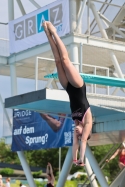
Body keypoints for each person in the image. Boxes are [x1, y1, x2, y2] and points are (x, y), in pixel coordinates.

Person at [43, 21, 92, 166]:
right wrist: (82, 159)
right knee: (65, 60)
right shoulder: (87, 121)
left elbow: (75, 144)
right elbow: (82, 141)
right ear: (84, 132)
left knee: (58, 62)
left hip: (68, 88)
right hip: (77, 86)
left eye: (76, 133)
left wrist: (74, 159)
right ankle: (54, 32)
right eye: (79, 133)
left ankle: (48, 35)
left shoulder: (76, 123)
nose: (76, 132)